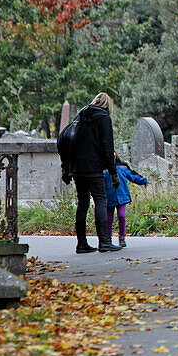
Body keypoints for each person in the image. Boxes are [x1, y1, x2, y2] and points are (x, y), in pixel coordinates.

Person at [70, 92, 121, 253]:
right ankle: (104, 242)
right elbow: (107, 147)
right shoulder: (103, 118)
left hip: (77, 168)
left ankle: (81, 243)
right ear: (107, 105)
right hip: (93, 167)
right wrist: (113, 173)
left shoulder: (80, 116)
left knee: (83, 202)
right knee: (100, 200)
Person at [104, 157, 148, 248]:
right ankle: (108, 239)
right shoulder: (103, 168)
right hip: (109, 197)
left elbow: (133, 176)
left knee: (122, 215)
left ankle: (122, 237)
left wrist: (143, 181)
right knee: (109, 219)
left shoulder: (122, 166)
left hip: (122, 196)